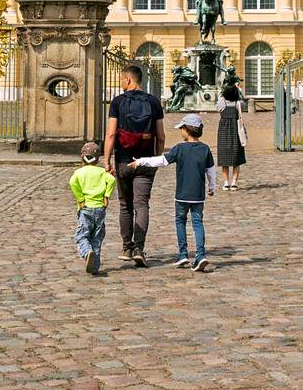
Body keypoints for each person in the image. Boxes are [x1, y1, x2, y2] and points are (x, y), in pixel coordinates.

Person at [132, 111, 216, 272]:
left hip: (182, 195)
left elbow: (161, 161)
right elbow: (210, 171)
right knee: (198, 223)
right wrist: (211, 187)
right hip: (198, 196)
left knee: (180, 222)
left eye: (181, 128)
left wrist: (142, 161)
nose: (181, 131)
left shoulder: (179, 149)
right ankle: (200, 254)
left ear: (186, 129)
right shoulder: (205, 149)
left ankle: (183, 253)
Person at [102, 64, 164, 266]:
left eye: (122, 79)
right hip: (146, 160)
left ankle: (127, 248)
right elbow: (161, 136)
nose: (121, 83)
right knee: (142, 204)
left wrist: (106, 160)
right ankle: (139, 247)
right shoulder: (153, 101)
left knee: (125, 205)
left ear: (128, 80)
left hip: (124, 160)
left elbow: (111, 134)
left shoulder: (118, 102)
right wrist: (156, 158)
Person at [68, 140, 116, 276]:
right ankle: (94, 266)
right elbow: (112, 180)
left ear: (82, 157)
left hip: (85, 209)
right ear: (97, 158)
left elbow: (72, 183)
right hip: (100, 209)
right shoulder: (101, 172)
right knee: (97, 236)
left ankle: (86, 251)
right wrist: (106, 196)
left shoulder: (79, 172)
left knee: (81, 235)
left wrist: (81, 198)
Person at [216, 78, 247, 189]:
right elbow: (243, 106)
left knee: (224, 159)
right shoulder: (238, 103)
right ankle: (234, 182)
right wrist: (238, 89)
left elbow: (218, 108)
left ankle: (226, 183)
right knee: (236, 158)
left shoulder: (221, 101)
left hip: (224, 130)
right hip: (235, 130)